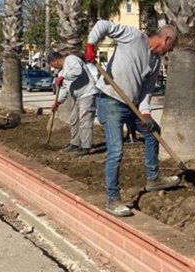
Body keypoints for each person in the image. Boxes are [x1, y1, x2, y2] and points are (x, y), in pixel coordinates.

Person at [86, 20, 181, 217]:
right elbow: (103, 25)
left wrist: (145, 113)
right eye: (169, 48)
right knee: (116, 150)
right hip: (111, 101)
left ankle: (153, 178)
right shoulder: (133, 37)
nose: (168, 52)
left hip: (133, 105)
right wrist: (91, 45)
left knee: (153, 132)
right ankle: (113, 200)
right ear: (166, 39)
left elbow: (147, 90)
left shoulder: (155, 62)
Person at [48, 51, 98, 156]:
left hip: (87, 94)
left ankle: (85, 146)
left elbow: (78, 71)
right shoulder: (62, 72)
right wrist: (58, 102)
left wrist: (63, 77)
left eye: (52, 65)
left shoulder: (71, 59)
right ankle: (74, 143)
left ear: (56, 61)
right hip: (77, 97)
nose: (54, 68)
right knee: (74, 119)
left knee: (85, 120)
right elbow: (65, 88)